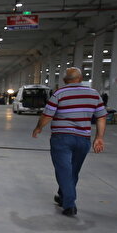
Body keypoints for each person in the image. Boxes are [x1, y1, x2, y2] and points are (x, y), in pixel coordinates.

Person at [32, 67, 107, 216]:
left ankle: (69, 204)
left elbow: (48, 114)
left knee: (64, 170)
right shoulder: (94, 94)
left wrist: (39, 127)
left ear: (65, 80)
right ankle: (62, 195)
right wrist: (99, 137)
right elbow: (101, 117)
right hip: (83, 139)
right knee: (72, 171)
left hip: (62, 138)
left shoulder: (60, 93)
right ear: (80, 78)